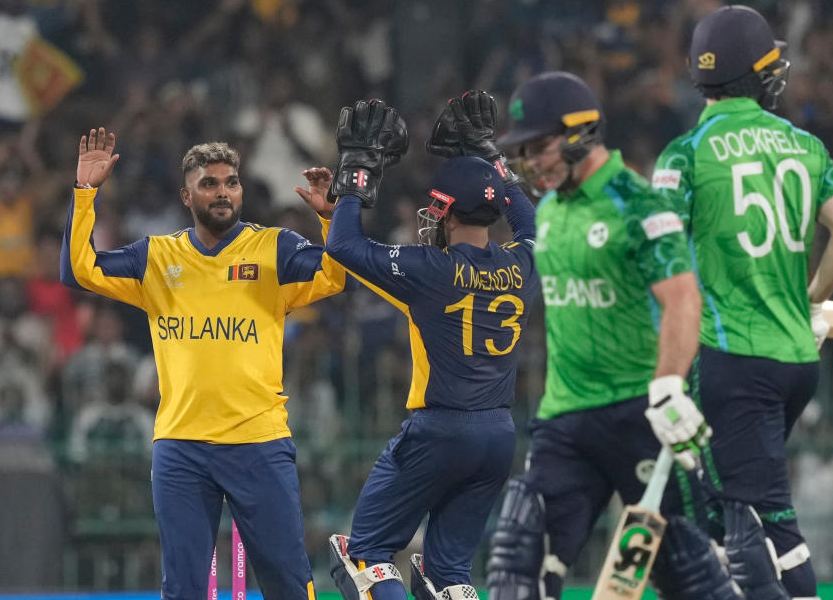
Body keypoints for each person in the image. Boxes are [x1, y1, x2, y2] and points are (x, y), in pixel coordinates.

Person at [61, 128, 347, 600]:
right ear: (186, 194)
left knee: (290, 585)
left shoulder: (273, 248)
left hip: (258, 441)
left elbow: (335, 276)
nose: (222, 192)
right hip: (181, 447)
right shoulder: (157, 256)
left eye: (230, 182)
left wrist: (332, 220)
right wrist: (85, 194)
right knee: (185, 590)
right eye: (209, 184)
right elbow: (78, 269)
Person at [486, 71, 740, 600]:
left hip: (639, 413)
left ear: (581, 132)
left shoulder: (639, 204)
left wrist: (669, 387)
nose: (530, 161)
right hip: (566, 417)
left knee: (690, 575)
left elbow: (683, 298)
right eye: (522, 150)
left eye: (539, 146)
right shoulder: (551, 211)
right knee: (517, 558)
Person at [652, 6, 833, 600]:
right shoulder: (805, 145)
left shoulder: (683, 155)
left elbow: (658, 266)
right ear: (758, 73)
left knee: (759, 521)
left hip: (729, 363)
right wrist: (810, 301)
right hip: (795, 361)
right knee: (703, 513)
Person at [295, 93, 540, 600]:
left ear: (447, 212)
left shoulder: (432, 270)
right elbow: (532, 224)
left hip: (439, 429)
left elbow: (342, 247)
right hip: (497, 435)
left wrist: (357, 171)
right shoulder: (523, 266)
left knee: (362, 553)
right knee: (448, 574)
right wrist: (491, 158)